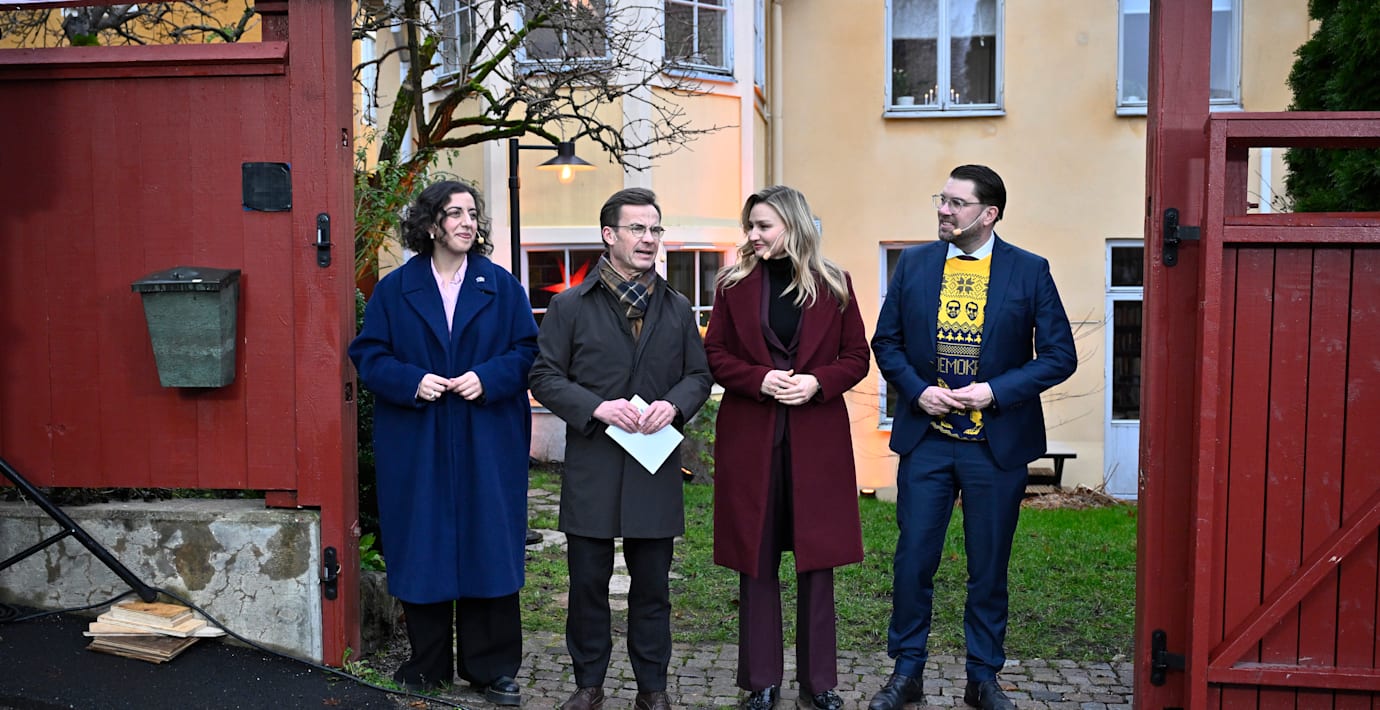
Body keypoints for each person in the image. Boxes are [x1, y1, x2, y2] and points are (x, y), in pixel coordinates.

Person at [869, 165, 1077, 710]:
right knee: (913, 560)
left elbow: (1060, 356)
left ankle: (983, 678)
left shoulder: (1029, 270)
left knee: (988, 568)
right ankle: (906, 672)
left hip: (996, 447)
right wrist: (917, 391)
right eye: (942, 199)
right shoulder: (914, 263)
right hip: (927, 442)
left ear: (989, 214)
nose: (943, 210)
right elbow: (886, 342)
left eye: (956, 203)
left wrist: (996, 391)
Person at [348, 180, 538, 706]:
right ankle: (427, 664)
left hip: (487, 435)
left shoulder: (500, 286)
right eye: (454, 213)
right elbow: (369, 355)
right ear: (431, 224)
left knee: (488, 542)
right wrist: (412, 380)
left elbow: (528, 351)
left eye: (472, 213)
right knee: (423, 541)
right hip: (418, 436)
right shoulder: (395, 289)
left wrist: (488, 377)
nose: (467, 222)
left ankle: (492, 669)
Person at [528, 187, 713, 710]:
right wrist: (596, 408)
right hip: (594, 464)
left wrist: (674, 406)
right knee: (587, 585)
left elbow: (699, 376)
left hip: (655, 464)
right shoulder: (568, 306)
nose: (649, 239)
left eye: (655, 229)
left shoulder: (677, 307)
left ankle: (652, 690)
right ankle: (588, 685)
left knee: (652, 588)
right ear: (609, 235)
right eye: (637, 228)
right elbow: (544, 376)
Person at [703, 186, 870, 710]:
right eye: (750, 226)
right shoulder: (732, 285)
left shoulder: (836, 284)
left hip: (817, 442)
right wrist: (759, 379)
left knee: (817, 562)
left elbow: (856, 356)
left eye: (763, 226)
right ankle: (761, 681)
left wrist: (818, 382)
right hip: (750, 439)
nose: (752, 235)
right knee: (756, 558)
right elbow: (715, 354)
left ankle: (819, 683)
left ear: (792, 226)